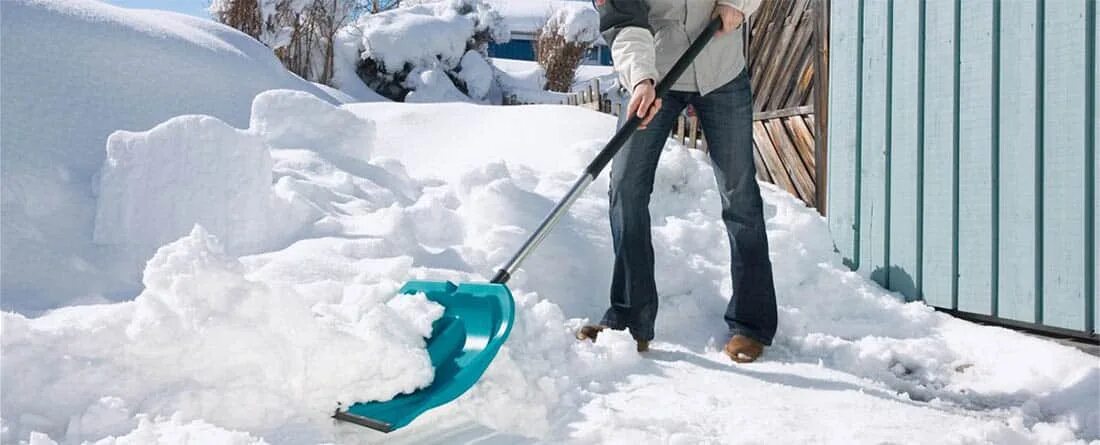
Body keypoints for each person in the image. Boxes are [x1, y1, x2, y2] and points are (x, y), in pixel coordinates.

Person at [576, 0, 776, 363]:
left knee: (740, 194)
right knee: (626, 187)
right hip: (658, 72)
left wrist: (738, 3)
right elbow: (624, 21)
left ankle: (751, 323)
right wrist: (640, 79)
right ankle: (629, 319)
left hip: (721, 70)